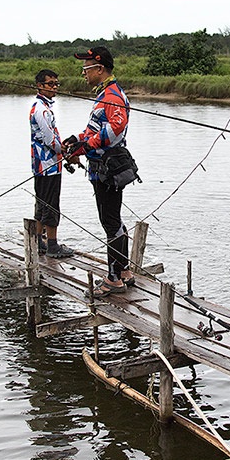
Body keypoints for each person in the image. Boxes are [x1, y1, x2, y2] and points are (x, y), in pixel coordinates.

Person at [63, 46, 135, 297]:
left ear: (99, 68)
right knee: (113, 219)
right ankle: (124, 271)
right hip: (102, 166)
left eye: (86, 69)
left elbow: (114, 130)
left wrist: (86, 145)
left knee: (110, 222)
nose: (83, 73)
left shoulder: (112, 95)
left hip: (107, 168)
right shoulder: (105, 93)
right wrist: (78, 140)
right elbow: (95, 130)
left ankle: (114, 278)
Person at [29, 69, 74, 258]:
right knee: (51, 204)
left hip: (41, 164)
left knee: (41, 202)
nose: (54, 87)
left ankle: (39, 241)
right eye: (50, 84)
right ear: (40, 86)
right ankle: (53, 246)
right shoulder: (42, 110)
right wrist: (65, 150)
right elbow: (50, 140)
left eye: (56, 84)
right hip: (48, 165)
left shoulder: (39, 106)